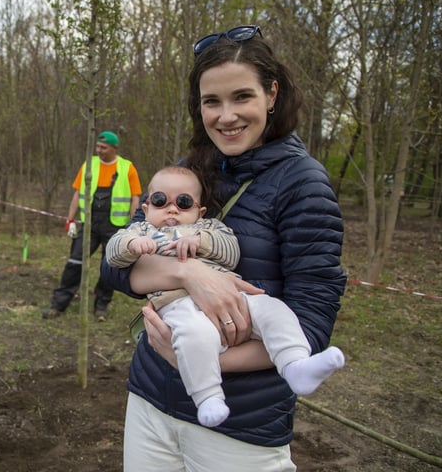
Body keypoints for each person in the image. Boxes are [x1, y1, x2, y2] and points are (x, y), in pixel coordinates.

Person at [101, 25, 347, 471]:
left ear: (271, 94)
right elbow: (116, 268)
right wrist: (187, 273)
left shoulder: (303, 185)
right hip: (151, 399)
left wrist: (194, 359)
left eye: (242, 97)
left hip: (240, 426)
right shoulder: (185, 173)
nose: (226, 116)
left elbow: (310, 324)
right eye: (211, 101)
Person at [106, 165, 345, 428]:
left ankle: (295, 364)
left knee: (272, 310)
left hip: (234, 297)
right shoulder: (140, 231)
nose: (172, 209)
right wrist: (131, 246)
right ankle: (208, 397)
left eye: (183, 203)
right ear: (146, 207)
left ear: (200, 210)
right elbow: (112, 256)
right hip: (177, 305)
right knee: (194, 335)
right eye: (161, 201)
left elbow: (231, 251)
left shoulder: (208, 228)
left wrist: (201, 241)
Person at [44, 130, 142, 322]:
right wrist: (70, 219)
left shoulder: (127, 168)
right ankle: (59, 304)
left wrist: (134, 226)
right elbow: (77, 193)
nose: (99, 150)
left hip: (114, 226)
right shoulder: (89, 165)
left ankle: (101, 305)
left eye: (103, 147)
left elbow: (135, 198)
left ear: (114, 148)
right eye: (97, 146)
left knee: (109, 266)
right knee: (75, 262)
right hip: (89, 224)